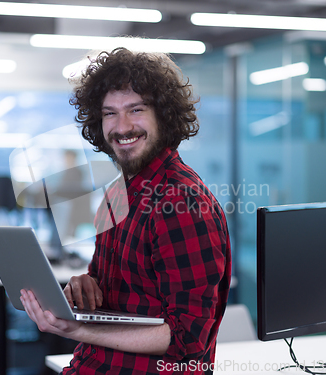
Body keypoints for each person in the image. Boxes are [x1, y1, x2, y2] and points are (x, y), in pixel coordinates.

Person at [20, 47, 232, 374]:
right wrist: (85, 286)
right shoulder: (118, 192)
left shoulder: (182, 203)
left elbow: (188, 337)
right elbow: (115, 286)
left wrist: (79, 330)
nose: (122, 126)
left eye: (135, 109)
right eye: (109, 113)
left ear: (164, 113)